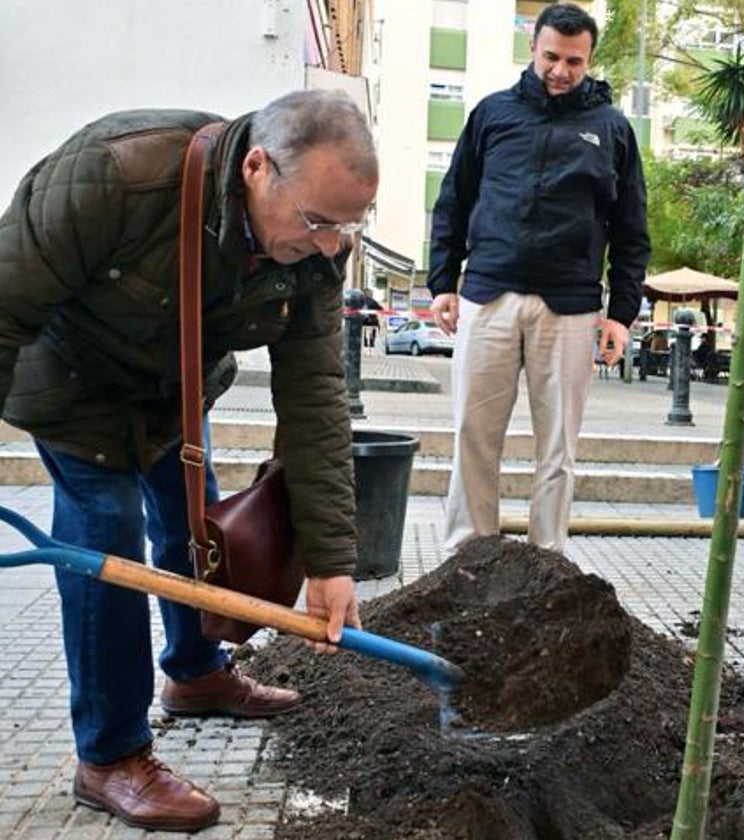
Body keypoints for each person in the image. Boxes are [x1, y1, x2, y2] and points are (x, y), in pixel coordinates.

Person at [0, 90, 374, 832]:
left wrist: (332, 561)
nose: (332, 244)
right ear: (258, 169)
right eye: (318, 223)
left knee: (188, 527)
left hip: (175, 391)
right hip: (75, 389)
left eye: (349, 226)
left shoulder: (318, 249)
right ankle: (110, 756)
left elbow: (315, 399)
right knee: (105, 539)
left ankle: (196, 675)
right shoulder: (116, 175)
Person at [427, 2, 650, 554]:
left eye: (574, 61)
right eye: (552, 56)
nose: (561, 70)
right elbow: (453, 200)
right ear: (532, 46)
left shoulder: (612, 129)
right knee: (473, 437)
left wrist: (621, 314)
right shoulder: (491, 114)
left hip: (570, 307)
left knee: (558, 448)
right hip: (488, 295)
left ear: (589, 60)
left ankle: (548, 559)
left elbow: (630, 228)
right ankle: (468, 554)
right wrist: (441, 284)